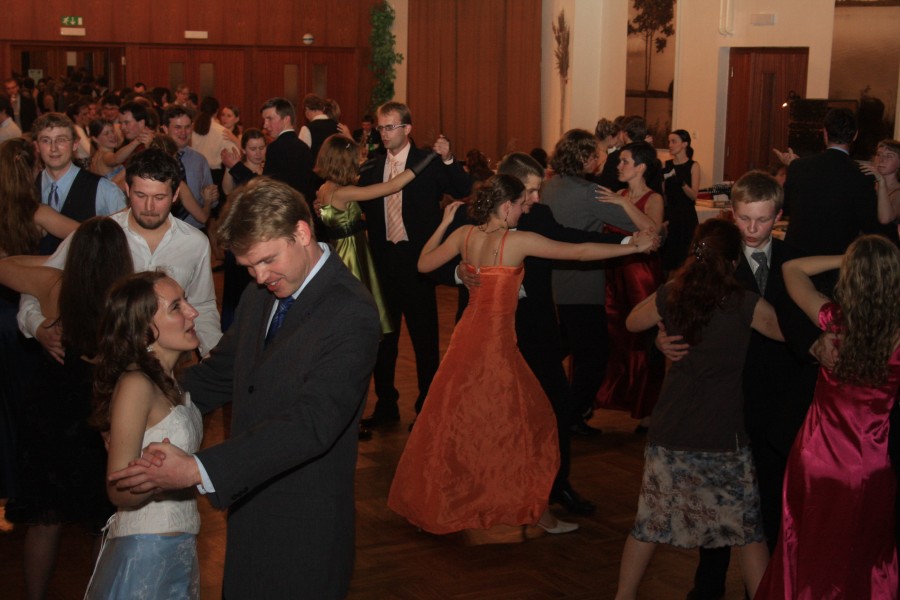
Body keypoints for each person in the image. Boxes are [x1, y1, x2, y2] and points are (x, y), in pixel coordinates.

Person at [107, 177, 381, 599]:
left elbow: (313, 423)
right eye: (249, 267)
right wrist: (138, 400)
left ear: (301, 233)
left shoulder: (350, 309)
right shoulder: (262, 292)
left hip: (304, 524)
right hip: (249, 507)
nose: (260, 276)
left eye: (266, 260)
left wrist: (198, 470)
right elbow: (222, 373)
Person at [388, 175, 656, 541]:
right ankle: (530, 508)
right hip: (495, 346)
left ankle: (468, 501)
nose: (523, 211)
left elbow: (422, 264)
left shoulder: (464, 235)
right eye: (519, 205)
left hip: (465, 340)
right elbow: (578, 252)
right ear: (505, 206)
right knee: (534, 424)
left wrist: (445, 223)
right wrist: (633, 247)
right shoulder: (515, 241)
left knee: (459, 421)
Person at [658, 172, 823, 599]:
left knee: (769, 499)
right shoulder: (714, 260)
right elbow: (679, 306)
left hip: (781, 398)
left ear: (778, 216)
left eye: (762, 220)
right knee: (716, 497)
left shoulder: (796, 261)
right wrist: (662, 335)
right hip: (725, 396)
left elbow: (810, 327)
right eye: (745, 218)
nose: (752, 228)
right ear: (732, 214)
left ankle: (764, 588)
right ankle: (708, 585)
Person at [614, 219, 783, 600]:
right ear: (734, 260)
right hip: (723, 434)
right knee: (748, 532)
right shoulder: (745, 303)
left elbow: (632, 321)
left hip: (672, 430)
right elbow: (788, 333)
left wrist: (660, 336)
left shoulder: (673, 293)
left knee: (649, 525)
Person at [755, 236, 900, 599]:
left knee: (805, 544)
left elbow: (793, 268)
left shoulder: (833, 321)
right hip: (871, 463)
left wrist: (848, 257)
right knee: (864, 553)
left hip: (817, 455)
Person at [2, 218, 133, 600]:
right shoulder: (126, 297)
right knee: (101, 523)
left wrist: (51, 263)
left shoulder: (52, 284)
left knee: (45, 522)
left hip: (51, 411)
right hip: (101, 412)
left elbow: (4, 266)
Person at [18, 148, 222, 363]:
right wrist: (36, 325)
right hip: (107, 362)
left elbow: (203, 305)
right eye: (140, 195)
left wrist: (214, 356)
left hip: (169, 364)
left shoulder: (195, 243)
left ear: (176, 195)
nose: (149, 207)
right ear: (127, 190)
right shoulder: (100, 234)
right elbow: (38, 281)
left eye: (159, 197)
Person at [84, 272, 203, 599]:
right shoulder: (136, 384)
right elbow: (117, 488)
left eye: (186, 301)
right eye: (176, 307)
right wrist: (160, 477)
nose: (192, 312)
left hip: (177, 547)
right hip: (147, 553)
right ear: (144, 329)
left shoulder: (171, 382)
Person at [357, 101, 472, 426]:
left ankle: (427, 408)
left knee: (424, 339)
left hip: (419, 263)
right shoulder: (372, 167)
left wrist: (448, 158)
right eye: (381, 127)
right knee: (384, 340)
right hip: (383, 263)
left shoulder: (428, 161)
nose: (384, 133)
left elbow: (462, 188)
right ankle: (386, 406)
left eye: (390, 126)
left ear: (407, 129)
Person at [541, 129, 650, 436]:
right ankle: (569, 415)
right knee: (594, 355)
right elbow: (635, 225)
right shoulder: (590, 192)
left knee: (561, 347)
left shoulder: (548, 187)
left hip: (551, 281)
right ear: (583, 158)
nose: (600, 159)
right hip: (582, 282)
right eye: (594, 155)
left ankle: (553, 409)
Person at [314, 134, 437, 335]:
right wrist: (425, 160)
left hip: (340, 250)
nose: (357, 163)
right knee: (357, 311)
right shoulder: (344, 192)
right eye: (354, 160)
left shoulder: (324, 189)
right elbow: (393, 186)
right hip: (352, 254)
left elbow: (343, 217)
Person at [594, 141, 665, 424]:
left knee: (643, 333)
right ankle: (615, 396)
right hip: (614, 271)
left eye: (625, 161)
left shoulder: (653, 198)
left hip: (640, 273)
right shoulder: (619, 194)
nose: (619, 166)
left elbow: (653, 231)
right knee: (616, 332)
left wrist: (624, 204)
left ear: (641, 167)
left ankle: (646, 405)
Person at [781, 108, 880, 256]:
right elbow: (870, 224)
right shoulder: (863, 175)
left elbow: (785, 207)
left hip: (797, 255)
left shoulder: (798, 166)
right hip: (837, 257)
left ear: (825, 133)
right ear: (855, 136)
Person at [31, 112, 126, 253]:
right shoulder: (27, 188)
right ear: (37, 147)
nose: (53, 148)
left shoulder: (103, 189)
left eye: (61, 140)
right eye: (46, 140)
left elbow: (122, 242)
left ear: (75, 144)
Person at [222, 97, 314, 200]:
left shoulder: (276, 147)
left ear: (286, 119)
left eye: (269, 119)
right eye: (264, 120)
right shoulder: (304, 147)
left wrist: (236, 166)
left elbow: (266, 189)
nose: (265, 125)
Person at [661, 128, 701, 272]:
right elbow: (663, 193)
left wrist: (681, 182)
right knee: (669, 256)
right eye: (669, 142)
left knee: (685, 256)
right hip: (670, 214)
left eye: (674, 141)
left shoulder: (693, 166)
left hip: (686, 216)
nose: (670, 145)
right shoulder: (666, 165)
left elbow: (694, 196)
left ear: (684, 144)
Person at [863, 139, 900, 238]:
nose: (881, 159)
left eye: (889, 156)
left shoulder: (898, 192)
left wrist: (881, 181)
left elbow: (885, 219)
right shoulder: (868, 185)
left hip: (885, 245)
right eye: (879, 154)